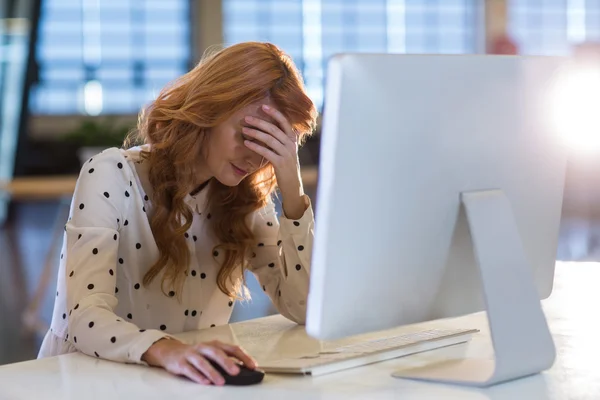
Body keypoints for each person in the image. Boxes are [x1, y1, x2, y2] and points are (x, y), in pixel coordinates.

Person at [38, 42, 318, 386]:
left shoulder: (246, 202)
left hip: (177, 384)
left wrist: (293, 190)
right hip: (78, 382)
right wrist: (167, 349)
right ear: (209, 109)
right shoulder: (110, 174)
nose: (254, 158)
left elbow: (305, 309)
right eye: (247, 134)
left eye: (269, 143)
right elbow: (85, 316)